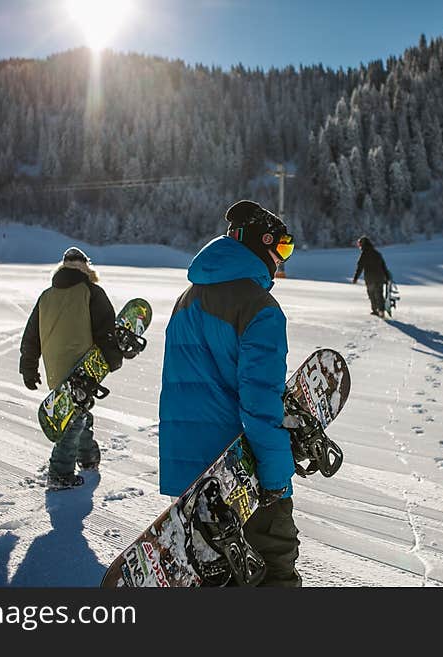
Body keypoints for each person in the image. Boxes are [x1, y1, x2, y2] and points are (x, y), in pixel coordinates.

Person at [158, 199, 300, 587]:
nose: (282, 259)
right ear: (260, 244)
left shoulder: (185, 299)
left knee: (216, 577)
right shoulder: (260, 308)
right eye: (282, 248)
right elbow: (259, 402)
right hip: (239, 473)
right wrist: (275, 477)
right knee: (274, 569)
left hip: (188, 474)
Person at [19, 247, 124, 491]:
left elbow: (31, 336)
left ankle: (88, 457)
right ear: (87, 267)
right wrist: (114, 358)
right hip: (82, 367)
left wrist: (29, 367)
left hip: (55, 368)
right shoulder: (92, 292)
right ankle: (59, 472)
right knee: (73, 419)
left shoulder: (46, 295)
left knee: (77, 411)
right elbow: (105, 331)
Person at [352, 235, 392, 316]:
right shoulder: (377, 253)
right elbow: (383, 266)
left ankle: (375, 310)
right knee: (379, 294)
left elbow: (360, 267)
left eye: (359, 244)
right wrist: (387, 277)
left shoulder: (364, 254)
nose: (359, 246)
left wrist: (355, 278)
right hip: (380, 278)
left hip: (370, 278)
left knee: (372, 294)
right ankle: (381, 311)